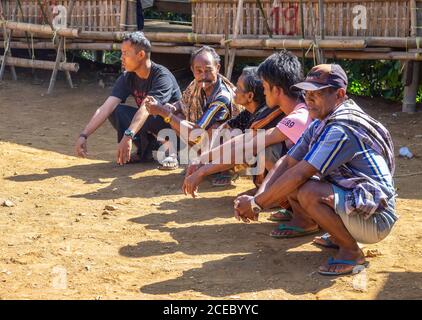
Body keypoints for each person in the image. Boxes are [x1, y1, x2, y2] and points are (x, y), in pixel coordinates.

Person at [234, 64, 398, 276]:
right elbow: (287, 161)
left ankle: (351, 252)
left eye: (316, 94)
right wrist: (259, 197)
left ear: (339, 94)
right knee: (290, 177)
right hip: (359, 204)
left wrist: (257, 204)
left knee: (307, 189)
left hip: (377, 218)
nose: (309, 99)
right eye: (307, 93)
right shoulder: (321, 121)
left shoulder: (342, 127)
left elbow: (300, 172)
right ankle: (316, 226)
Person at [182, 50, 311, 197]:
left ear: (276, 90)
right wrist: (201, 159)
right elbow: (245, 139)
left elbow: (248, 147)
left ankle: (281, 199)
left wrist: (203, 170)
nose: (263, 92)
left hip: (313, 185)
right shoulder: (293, 108)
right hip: (307, 178)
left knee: (267, 151)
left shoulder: (298, 116)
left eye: (265, 86)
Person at [74, 31, 181, 165]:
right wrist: (84, 135)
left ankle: (171, 152)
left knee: (151, 111)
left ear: (141, 55)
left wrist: (128, 135)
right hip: (154, 131)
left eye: (125, 53)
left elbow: (145, 109)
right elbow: (106, 108)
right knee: (116, 110)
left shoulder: (162, 77)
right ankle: (144, 152)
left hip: (176, 134)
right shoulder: (128, 76)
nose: (121, 57)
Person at [181, 66, 284, 194]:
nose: (234, 90)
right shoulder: (248, 113)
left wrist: (203, 169)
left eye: (238, 88)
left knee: (263, 149)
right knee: (226, 133)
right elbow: (225, 131)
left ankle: (272, 191)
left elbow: (242, 148)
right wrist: (201, 160)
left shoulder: (265, 116)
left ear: (250, 96)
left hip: (283, 167)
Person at [144, 46, 242, 170]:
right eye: (198, 71)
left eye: (208, 70)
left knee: (215, 129)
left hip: (236, 146)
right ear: (192, 70)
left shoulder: (222, 97)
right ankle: (204, 161)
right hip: (206, 139)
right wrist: (173, 108)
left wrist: (163, 112)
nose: (203, 75)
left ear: (217, 68)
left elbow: (196, 132)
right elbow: (183, 102)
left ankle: (222, 169)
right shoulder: (196, 84)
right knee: (178, 116)